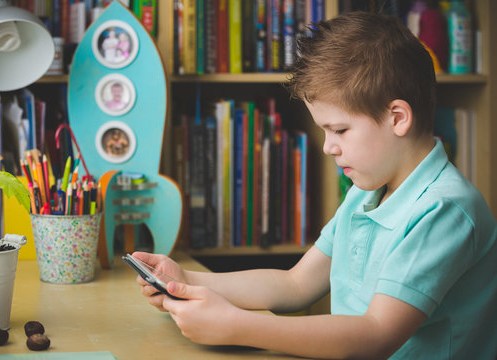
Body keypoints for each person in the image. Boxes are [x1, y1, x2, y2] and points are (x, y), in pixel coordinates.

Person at [132, 11, 497, 359]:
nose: (327, 147)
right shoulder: (367, 192)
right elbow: (296, 285)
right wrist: (188, 281)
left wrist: (237, 326)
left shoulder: (444, 210)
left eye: (339, 130)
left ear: (397, 118)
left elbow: (376, 336)